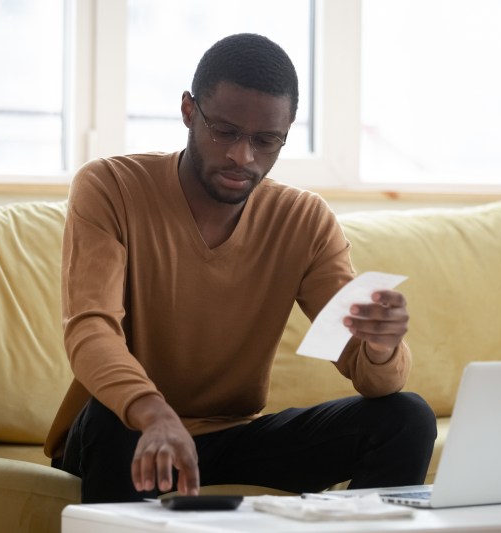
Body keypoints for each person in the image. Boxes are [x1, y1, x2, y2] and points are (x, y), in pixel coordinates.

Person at [45, 33, 436, 503]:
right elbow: (90, 330)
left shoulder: (304, 221)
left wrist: (379, 346)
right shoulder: (110, 187)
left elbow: (374, 380)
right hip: (125, 429)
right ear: (189, 111)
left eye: (266, 140)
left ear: (287, 131)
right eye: (225, 131)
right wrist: (152, 411)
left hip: (232, 440)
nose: (242, 156)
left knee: (406, 418)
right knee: (112, 417)